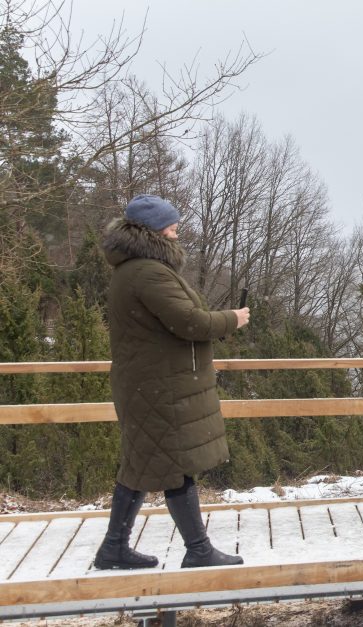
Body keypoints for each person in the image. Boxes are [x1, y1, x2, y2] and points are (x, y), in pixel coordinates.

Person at [94, 194, 251, 569]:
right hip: (158, 389)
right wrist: (233, 318)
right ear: (152, 231)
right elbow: (190, 322)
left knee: (141, 465)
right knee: (174, 466)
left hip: (148, 386)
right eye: (172, 227)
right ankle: (198, 550)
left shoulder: (136, 269)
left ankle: (113, 549)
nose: (177, 233)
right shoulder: (148, 272)